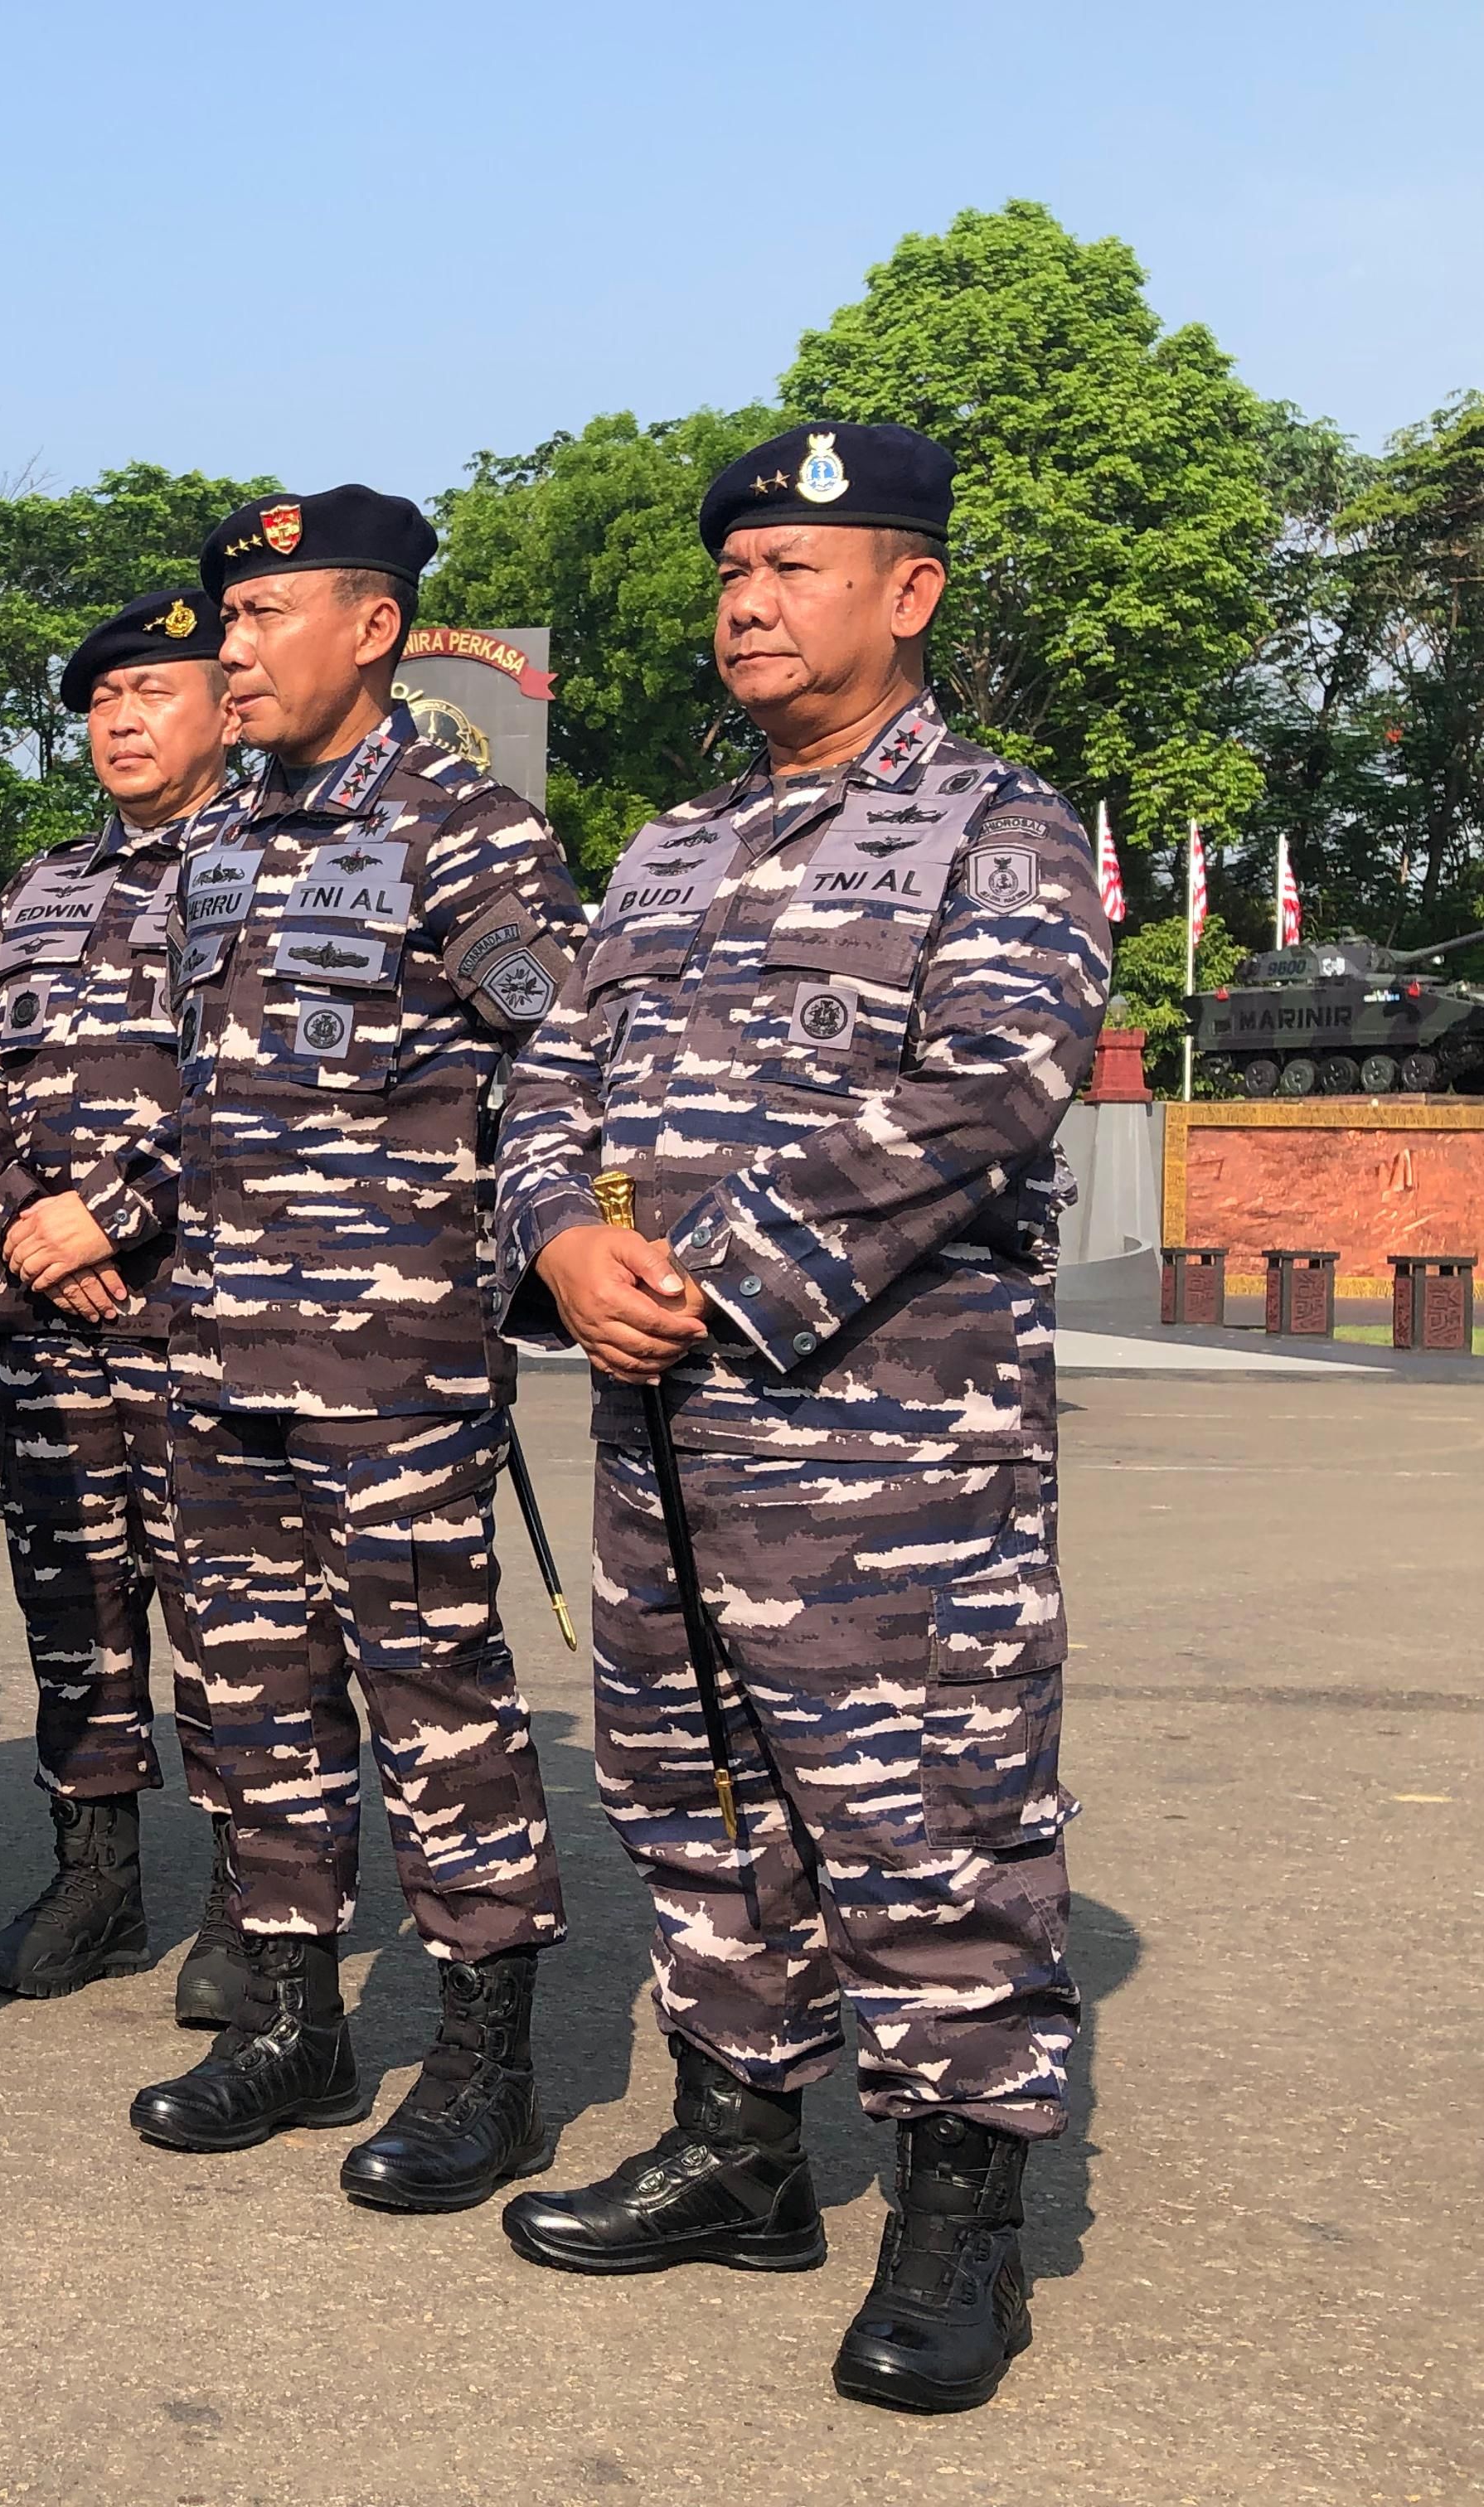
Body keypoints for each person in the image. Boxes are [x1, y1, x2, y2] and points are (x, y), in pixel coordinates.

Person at [489, 423, 1103, 2416]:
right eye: (735, 570)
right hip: (666, 1440)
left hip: (888, 1454)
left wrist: (717, 1270)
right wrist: (566, 1250)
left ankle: (960, 2221)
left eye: (800, 567)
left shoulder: (999, 831)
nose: (750, 602)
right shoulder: (668, 846)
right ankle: (740, 2150)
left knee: (923, 1822)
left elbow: (995, 1087)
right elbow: (544, 1091)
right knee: (698, 1800)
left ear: (909, 593)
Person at [128, 488, 582, 2221]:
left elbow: (552, 1060)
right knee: (253, 1697)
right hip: (218, 1345)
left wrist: (526, 1250)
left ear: (373, 628)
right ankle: (296, 2019)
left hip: (390, 1363)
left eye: (263, 616)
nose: (229, 649)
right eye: (224, 620)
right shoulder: (222, 840)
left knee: (434, 1704)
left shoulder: (468, 832)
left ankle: (487, 2060)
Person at [0, 586, 251, 2014]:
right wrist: (26, 1221)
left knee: (237, 1614)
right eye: (101, 701)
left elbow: (283, 1086)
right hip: (49, 1320)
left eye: (153, 692)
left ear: (228, 705)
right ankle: (97, 1877)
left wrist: (115, 1214)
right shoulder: (41, 889)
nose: (120, 719)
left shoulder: (271, 868)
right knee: (74, 1605)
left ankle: (261, 1896)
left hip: (212, 1313)